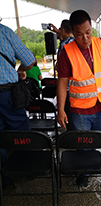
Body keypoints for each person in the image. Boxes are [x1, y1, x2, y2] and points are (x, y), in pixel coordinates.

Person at [0, 23, 35, 187]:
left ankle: (4, 177)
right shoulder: (4, 31)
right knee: (21, 130)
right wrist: (19, 70)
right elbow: (29, 60)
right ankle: (27, 169)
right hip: (7, 94)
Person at [50, 20, 75, 130]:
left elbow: (62, 69)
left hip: (67, 88)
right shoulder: (76, 42)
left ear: (63, 29)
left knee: (68, 118)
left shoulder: (64, 45)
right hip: (78, 88)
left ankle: (69, 140)